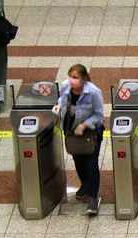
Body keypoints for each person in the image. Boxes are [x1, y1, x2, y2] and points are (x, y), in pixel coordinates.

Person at [52, 64, 105, 215]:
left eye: (75, 77)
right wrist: (59, 105)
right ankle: (85, 183)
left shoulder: (93, 92)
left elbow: (99, 115)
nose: (71, 80)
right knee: (77, 159)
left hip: (91, 133)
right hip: (71, 131)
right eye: (70, 76)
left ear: (83, 79)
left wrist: (84, 125)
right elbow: (62, 98)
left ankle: (93, 198)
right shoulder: (65, 86)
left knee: (91, 163)